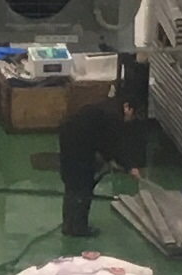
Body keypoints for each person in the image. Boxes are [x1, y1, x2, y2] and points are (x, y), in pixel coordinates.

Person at [57, 103, 136, 242]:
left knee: (71, 183)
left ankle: (68, 224)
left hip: (67, 136)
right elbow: (116, 145)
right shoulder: (115, 117)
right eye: (132, 115)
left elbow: (103, 141)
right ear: (127, 108)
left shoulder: (106, 109)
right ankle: (79, 227)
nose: (130, 119)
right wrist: (130, 167)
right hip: (80, 145)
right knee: (83, 185)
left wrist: (110, 159)